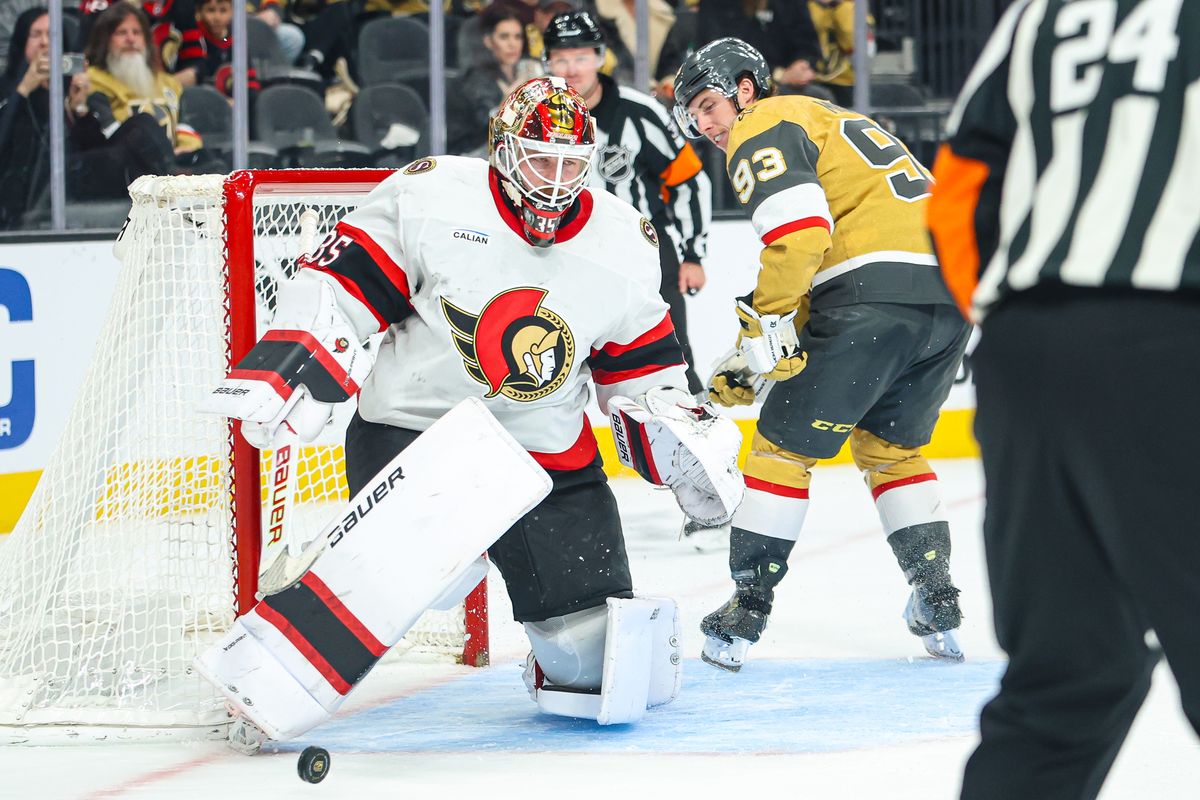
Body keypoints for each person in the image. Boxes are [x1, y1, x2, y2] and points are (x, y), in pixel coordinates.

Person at [202, 76, 742, 729]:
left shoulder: (623, 237)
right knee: (432, 573)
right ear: (503, 151)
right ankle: (286, 642)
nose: (555, 180)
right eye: (540, 159)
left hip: (548, 459)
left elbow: (641, 370)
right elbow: (340, 289)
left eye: (572, 164)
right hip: (420, 436)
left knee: (597, 669)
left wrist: (675, 433)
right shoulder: (431, 196)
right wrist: (294, 361)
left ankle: (552, 653)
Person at [927, 3, 1200, 797]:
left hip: (1030, 357)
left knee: (1066, 682)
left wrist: (1020, 321)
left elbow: (959, 187)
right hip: (1180, 341)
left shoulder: (1045, 10)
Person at [672, 38, 969, 670]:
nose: (706, 126)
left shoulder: (766, 124)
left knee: (781, 451)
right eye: (694, 117)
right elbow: (832, 250)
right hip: (946, 300)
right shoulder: (831, 120)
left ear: (745, 88)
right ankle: (937, 596)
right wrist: (763, 346)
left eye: (707, 105)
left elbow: (801, 238)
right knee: (892, 451)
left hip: (870, 296)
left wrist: (763, 325)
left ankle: (745, 608)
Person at [543, 10, 711, 397]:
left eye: (581, 57)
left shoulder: (641, 111)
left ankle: (694, 433)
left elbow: (688, 181)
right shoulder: (534, 117)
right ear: (547, 62)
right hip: (561, 253)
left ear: (601, 57)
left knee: (671, 355)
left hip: (644, 252)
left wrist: (693, 254)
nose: (572, 68)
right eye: (561, 58)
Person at [0, 6, 174, 229]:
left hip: (71, 174)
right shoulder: (8, 88)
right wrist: (24, 89)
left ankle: (171, 182)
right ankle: (172, 184)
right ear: (22, 41)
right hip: (32, 182)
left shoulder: (65, 88)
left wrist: (79, 107)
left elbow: (91, 145)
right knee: (131, 148)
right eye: (36, 35)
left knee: (141, 124)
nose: (45, 43)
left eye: (51, 35)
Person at [84, 3, 203, 157]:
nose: (131, 39)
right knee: (144, 123)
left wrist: (187, 151)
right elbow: (109, 136)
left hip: (173, 167)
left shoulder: (168, 83)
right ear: (105, 40)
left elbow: (184, 125)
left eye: (137, 32)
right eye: (121, 33)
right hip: (126, 167)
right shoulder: (92, 81)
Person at [447, 5, 539, 156]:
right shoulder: (475, 78)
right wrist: (509, 100)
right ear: (489, 41)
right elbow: (485, 124)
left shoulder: (526, 71)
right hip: (474, 155)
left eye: (518, 36)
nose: (512, 44)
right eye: (504, 37)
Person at [695, 0, 820, 93]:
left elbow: (809, 43)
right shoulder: (715, 4)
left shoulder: (789, 3)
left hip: (790, 82)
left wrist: (803, 64)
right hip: (735, 84)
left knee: (818, 96)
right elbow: (722, 53)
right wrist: (778, 74)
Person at [177, 0, 262, 98]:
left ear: (233, 12)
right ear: (199, 12)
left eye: (223, 10)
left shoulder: (238, 40)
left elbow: (251, 83)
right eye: (211, 10)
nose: (217, 18)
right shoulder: (194, 38)